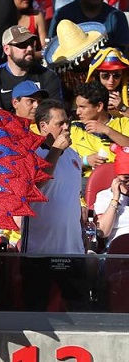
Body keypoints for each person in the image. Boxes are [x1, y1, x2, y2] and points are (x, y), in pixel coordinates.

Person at [20, 98, 87, 311]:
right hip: (39, 252)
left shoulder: (74, 155)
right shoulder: (31, 154)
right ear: (43, 126)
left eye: (67, 121)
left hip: (72, 250)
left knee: (79, 312)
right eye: (60, 123)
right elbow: (37, 183)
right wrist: (55, 150)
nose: (67, 126)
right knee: (36, 314)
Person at [0, 25, 61, 113]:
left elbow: (55, 113)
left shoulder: (48, 76)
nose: (30, 48)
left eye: (31, 44)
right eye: (23, 45)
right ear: (7, 49)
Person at [70, 81, 129, 178]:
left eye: (82, 107)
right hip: (85, 185)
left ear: (99, 106)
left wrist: (107, 131)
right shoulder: (74, 128)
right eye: (77, 107)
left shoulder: (123, 123)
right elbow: (66, 164)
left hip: (120, 184)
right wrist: (86, 161)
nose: (77, 112)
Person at [94, 144, 129, 248]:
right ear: (117, 176)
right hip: (118, 249)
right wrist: (115, 198)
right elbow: (102, 232)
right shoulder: (104, 196)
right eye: (126, 178)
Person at [86, 47, 129, 117]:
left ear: (123, 75)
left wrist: (122, 107)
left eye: (116, 75)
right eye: (105, 76)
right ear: (97, 75)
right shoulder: (87, 95)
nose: (111, 80)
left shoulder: (127, 93)